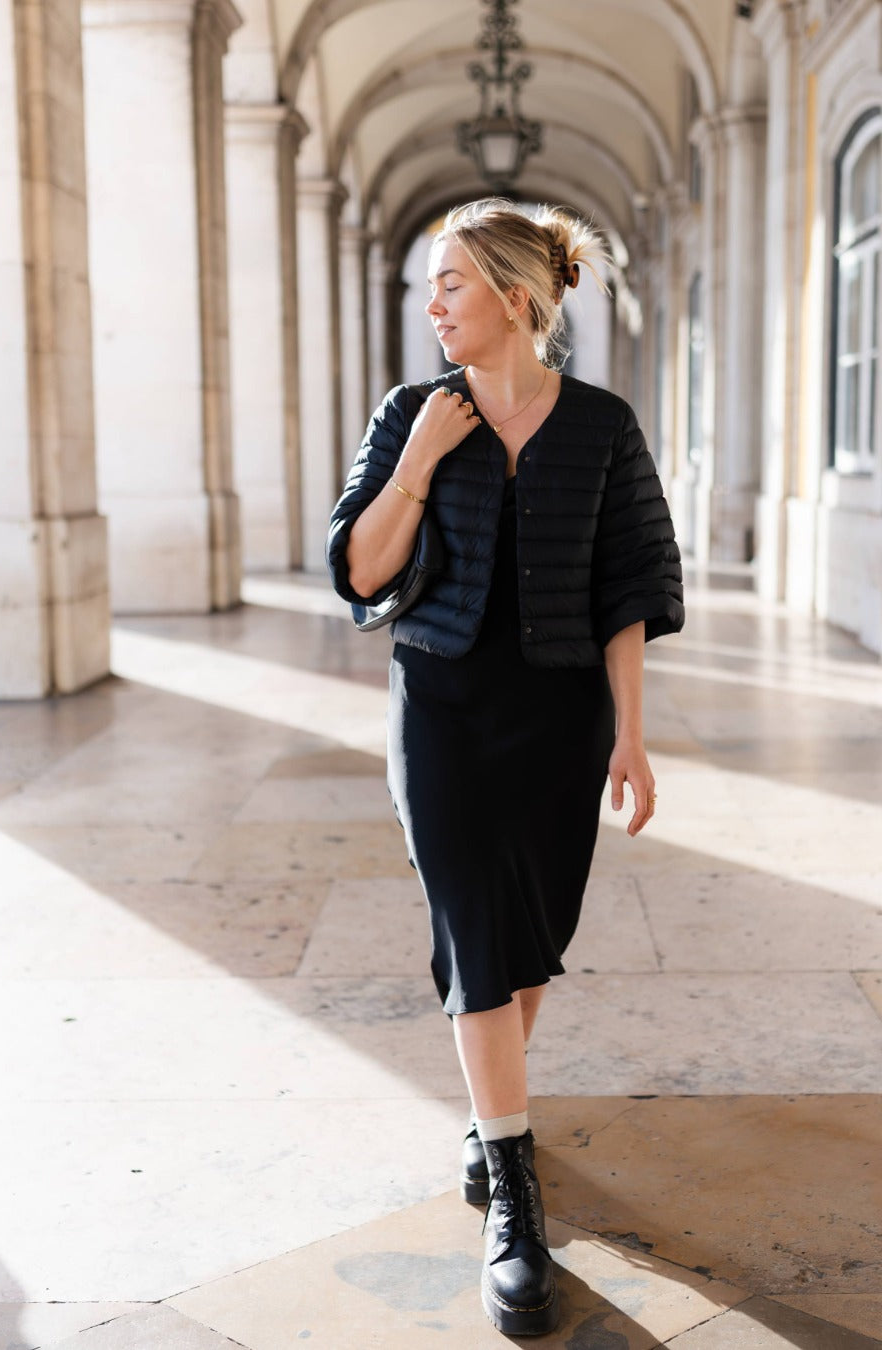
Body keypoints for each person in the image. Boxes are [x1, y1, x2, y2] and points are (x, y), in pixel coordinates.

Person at [326, 198, 683, 1337]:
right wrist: (422, 461)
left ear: (516, 300)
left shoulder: (603, 427)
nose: (433, 306)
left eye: (452, 286)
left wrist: (629, 733)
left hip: (561, 721)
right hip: (441, 709)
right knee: (476, 931)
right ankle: (515, 1197)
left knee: (534, 938)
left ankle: (490, 1120)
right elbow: (358, 571)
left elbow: (629, 589)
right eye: (433, 287)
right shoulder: (409, 415)